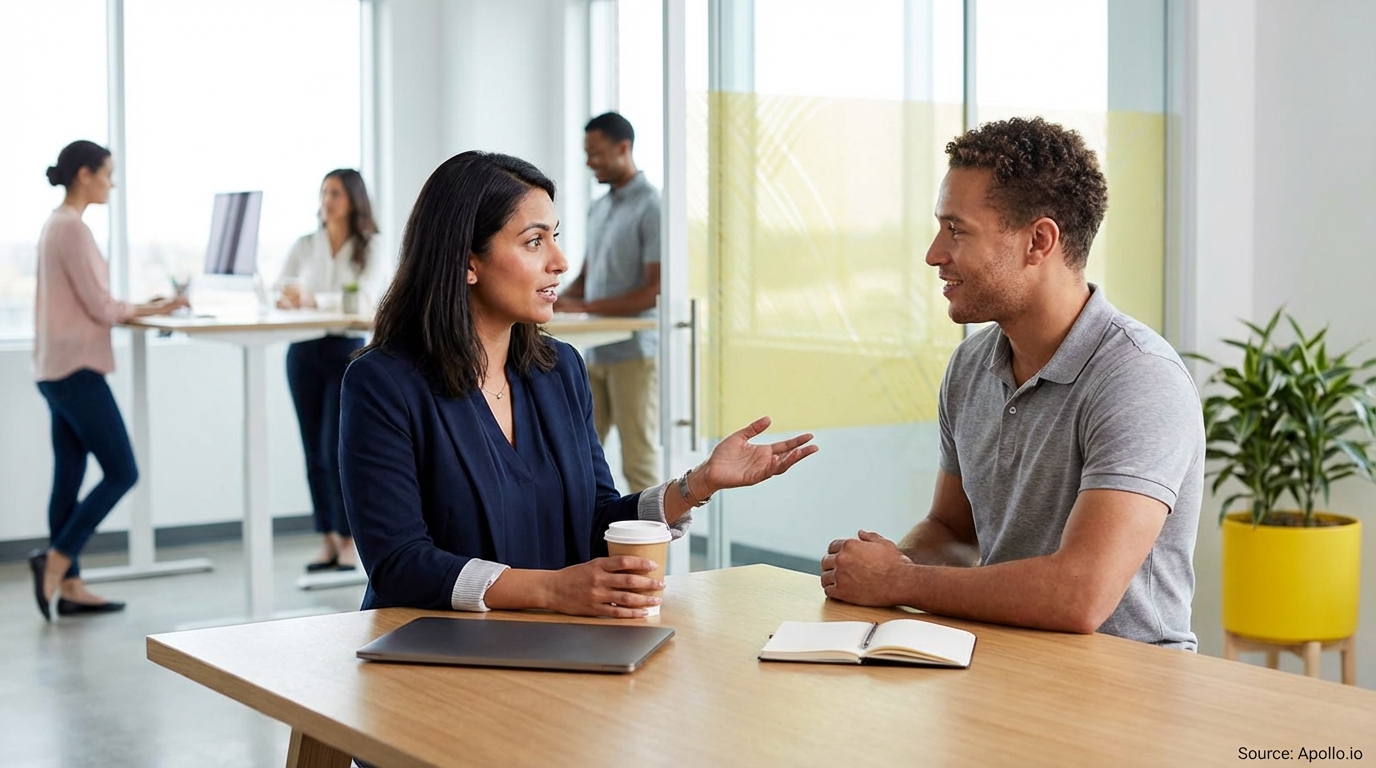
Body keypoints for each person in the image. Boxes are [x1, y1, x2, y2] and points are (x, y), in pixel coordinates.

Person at [340, 151, 817, 616]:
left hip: (553, 646)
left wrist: (697, 484)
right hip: (432, 655)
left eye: (556, 237)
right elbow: (399, 564)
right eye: (534, 241)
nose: (561, 261)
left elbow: (595, 519)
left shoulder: (559, 369)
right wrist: (552, 590)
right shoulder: (382, 384)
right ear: (468, 263)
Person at [821, 118, 1205, 650]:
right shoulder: (970, 367)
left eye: (956, 230)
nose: (934, 254)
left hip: (1127, 692)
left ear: (1038, 242)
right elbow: (953, 531)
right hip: (1002, 663)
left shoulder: (1139, 379)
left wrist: (899, 582)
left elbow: (1080, 595)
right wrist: (888, 564)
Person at [28, 140, 188, 621]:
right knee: (123, 471)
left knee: (70, 476)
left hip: (54, 368)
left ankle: (70, 584)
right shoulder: (71, 229)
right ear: (84, 175)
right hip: (75, 369)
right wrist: (155, 308)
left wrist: (147, 307)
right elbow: (101, 307)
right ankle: (56, 562)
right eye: (107, 174)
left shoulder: (55, 225)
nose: (111, 184)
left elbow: (92, 300)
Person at [275, 169, 381, 572]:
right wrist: (298, 300)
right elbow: (281, 288)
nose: (327, 199)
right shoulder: (306, 243)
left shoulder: (371, 244)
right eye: (324, 192)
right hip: (304, 349)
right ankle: (327, 539)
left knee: (335, 448)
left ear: (353, 199)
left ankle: (350, 540)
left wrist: (310, 300)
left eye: (335, 192)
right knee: (311, 451)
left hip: (346, 350)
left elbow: (366, 297)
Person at [553, 112, 661, 493]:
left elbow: (654, 291)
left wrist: (585, 308)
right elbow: (587, 277)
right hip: (594, 355)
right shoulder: (598, 208)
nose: (589, 162)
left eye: (596, 153)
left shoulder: (652, 206)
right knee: (577, 457)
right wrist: (556, 300)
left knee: (639, 462)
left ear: (623, 148)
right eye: (586, 153)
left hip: (633, 354)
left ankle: (651, 551)